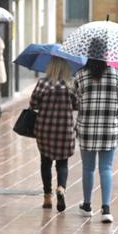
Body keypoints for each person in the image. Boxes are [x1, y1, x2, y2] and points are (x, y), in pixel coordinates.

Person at [74, 45, 118, 223]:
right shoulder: (116, 74)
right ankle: (106, 209)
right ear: (106, 55)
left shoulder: (80, 74)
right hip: (108, 129)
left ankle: (87, 205)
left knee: (88, 168)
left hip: (87, 128)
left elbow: (75, 98)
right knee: (106, 168)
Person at [30, 57, 78, 211]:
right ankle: (61, 188)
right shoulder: (70, 85)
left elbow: (33, 104)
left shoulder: (43, 83)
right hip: (64, 129)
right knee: (62, 162)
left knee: (46, 162)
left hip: (45, 128)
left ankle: (47, 197)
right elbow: (78, 104)